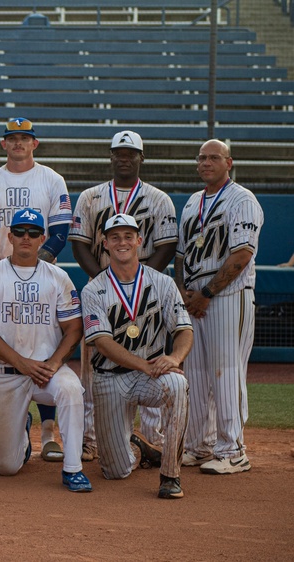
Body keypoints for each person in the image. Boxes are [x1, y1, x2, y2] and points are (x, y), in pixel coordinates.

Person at [69, 130, 178, 462]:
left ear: (141, 158)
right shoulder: (90, 197)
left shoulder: (160, 199)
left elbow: (167, 245)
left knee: (154, 361)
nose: (125, 158)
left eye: (131, 153)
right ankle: (91, 439)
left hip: (149, 295)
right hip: (103, 292)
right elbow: (79, 243)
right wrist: (106, 279)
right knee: (95, 367)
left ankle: (153, 440)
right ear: (111, 156)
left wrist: (143, 281)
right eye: (119, 152)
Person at [0, 118, 72, 462]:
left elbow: (58, 232)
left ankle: (49, 433)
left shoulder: (51, 179)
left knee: (44, 349)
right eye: (12, 138)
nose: (18, 143)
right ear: (3, 144)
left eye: (24, 138)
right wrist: (2, 267)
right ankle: (3, 430)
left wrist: (29, 263)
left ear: (34, 144)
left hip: (42, 277)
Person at [0, 208, 91, 492]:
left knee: (72, 389)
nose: (27, 237)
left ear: (43, 238)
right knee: (6, 467)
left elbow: (74, 328)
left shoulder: (58, 277)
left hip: (45, 370)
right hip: (4, 372)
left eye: (34, 232)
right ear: (10, 236)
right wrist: (22, 362)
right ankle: (21, 433)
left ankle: (73, 469)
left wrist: (54, 362)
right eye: (21, 232)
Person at [81, 213, 192, 499]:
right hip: (110, 378)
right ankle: (137, 447)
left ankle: (170, 475)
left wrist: (175, 358)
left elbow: (184, 331)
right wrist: (144, 365)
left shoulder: (162, 283)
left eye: (128, 236)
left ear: (140, 241)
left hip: (151, 375)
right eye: (115, 237)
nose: (122, 242)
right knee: (115, 471)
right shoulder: (93, 289)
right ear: (104, 244)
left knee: (177, 384)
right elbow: (102, 343)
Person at [175, 139, 263, 475]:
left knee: (226, 373)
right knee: (196, 375)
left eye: (214, 157)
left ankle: (233, 450)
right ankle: (200, 446)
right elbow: (182, 254)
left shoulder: (242, 200)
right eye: (201, 158)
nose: (206, 163)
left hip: (228, 297)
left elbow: (241, 256)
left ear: (229, 162)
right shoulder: (194, 201)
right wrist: (185, 292)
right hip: (195, 299)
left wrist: (207, 293)